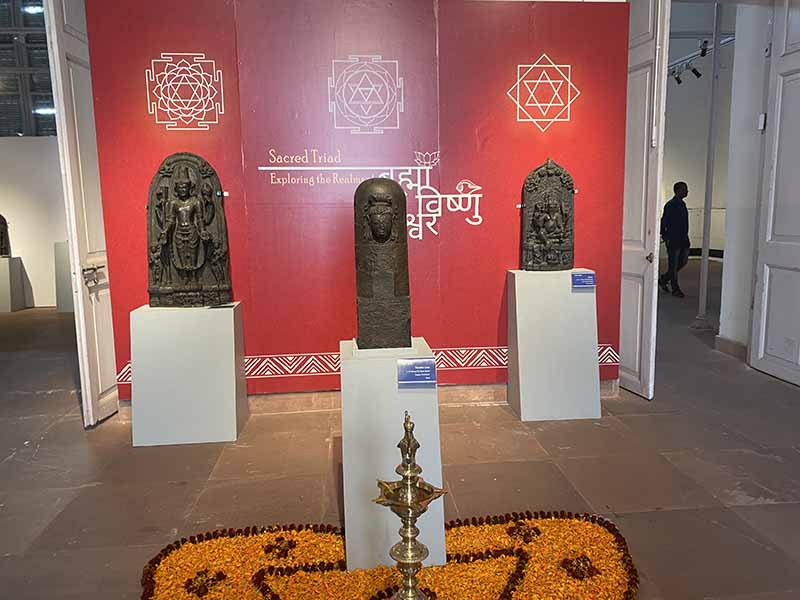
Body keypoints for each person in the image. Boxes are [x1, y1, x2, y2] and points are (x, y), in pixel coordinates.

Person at [658, 181, 690, 298]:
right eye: (684, 189)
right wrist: (665, 236)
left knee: (683, 261)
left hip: (683, 239)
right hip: (673, 240)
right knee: (673, 264)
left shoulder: (682, 204)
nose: (687, 191)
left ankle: (664, 279)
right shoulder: (670, 205)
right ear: (677, 190)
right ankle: (675, 289)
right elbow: (664, 221)